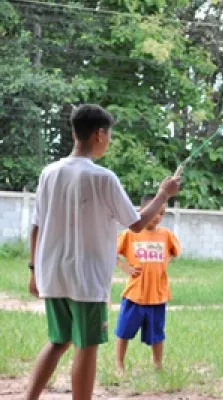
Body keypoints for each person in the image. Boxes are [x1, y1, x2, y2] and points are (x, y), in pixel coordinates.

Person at [26, 104, 181, 400]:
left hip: (52, 274)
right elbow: (136, 224)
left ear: (74, 132)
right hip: (86, 279)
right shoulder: (103, 178)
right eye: (108, 135)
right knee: (86, 346)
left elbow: (36, 226)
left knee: (58, 341)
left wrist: (34, 271)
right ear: (99, 134)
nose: (108, 140)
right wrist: (163, 194)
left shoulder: (50, 173)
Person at [114, 195, 181, 372]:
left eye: (162, 213)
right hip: (134, 294)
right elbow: (110, 250)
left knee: (157, 334)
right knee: (124, 331)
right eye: (154, 212)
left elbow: (175, 252)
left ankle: (158, 365)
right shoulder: (130, 233)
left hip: (158, 295)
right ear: (142, 212)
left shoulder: (166, 235)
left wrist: (164, 262)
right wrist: (124, 266)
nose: (157, 216)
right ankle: (119, 365)